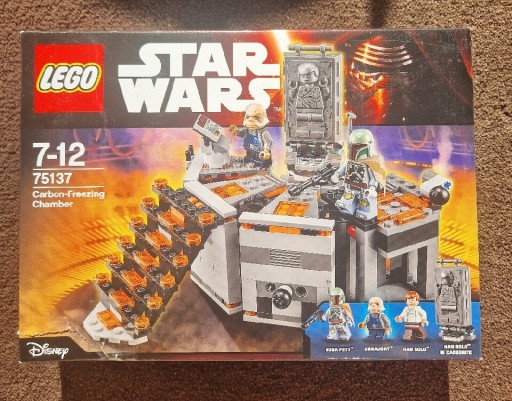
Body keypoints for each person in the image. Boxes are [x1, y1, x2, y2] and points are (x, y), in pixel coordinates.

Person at [229, 103, 272, 169]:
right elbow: (242, 133)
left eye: (257, 117)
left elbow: (268, 142)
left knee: (261, 163)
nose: (251, 121)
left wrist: (266, 150)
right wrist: (236, 132)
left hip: (259, 153)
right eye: (248, 117)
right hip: (249, 151)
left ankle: (262, 169)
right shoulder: (247, 130)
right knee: (248, 160)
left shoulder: (263, 132)